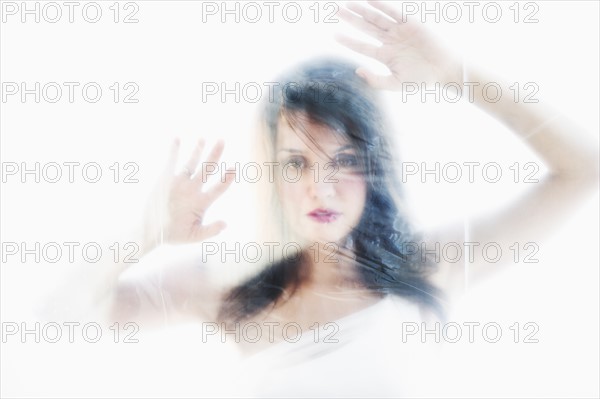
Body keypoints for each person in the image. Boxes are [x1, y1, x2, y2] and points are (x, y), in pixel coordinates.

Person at [46, 1, 599, 396]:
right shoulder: (230, 290)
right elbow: (62, 321)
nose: (321, 185)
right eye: (297, 163)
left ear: (373, 169)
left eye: (346, 160)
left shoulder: (427, 268)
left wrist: (457, 75)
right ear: (274, 174)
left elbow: (585, 169)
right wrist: (143, 235)